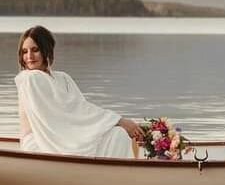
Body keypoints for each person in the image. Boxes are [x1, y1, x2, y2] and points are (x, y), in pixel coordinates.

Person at [15, 25, 145, 157]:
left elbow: (81, 110)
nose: (29, 56)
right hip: (41, 142)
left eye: (35, 50)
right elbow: (74, 111)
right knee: (117, 132)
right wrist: (119, 120)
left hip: (67, 136)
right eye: (25, 51)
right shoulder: (31, 79)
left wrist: (116, 124)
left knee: (118, 134)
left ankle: (117, 173)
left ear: (46, 50)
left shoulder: (63, 78)